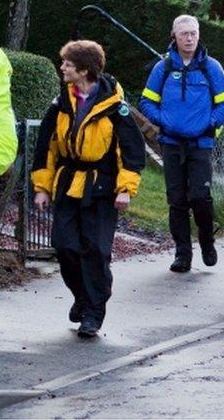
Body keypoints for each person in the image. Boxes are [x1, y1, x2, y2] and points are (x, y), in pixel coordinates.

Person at [31, 40, 146, 338]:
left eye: (67, 64)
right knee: (64, 245)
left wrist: (125, 189)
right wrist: (42, 187)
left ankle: (93, 312)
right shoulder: (61, 104)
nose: (62, 68)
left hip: (102, 188)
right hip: (69, 184)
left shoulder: (115, 109)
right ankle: (82, 296)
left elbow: (131, 152)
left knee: (95, 250)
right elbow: (46, 148)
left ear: (84, 70)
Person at [139, 15, 224, 273]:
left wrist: (209, 123)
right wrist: (163, 121)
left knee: (201, 197)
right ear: (175, 36)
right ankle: (182, 253)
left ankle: (207, 241)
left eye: (193, 33)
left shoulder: (211, 67)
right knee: (177, 200)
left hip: (200, 143)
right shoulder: (164, 68)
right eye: (184, 34)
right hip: (171, 143)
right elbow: (146, 101)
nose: (189, 38)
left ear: (199, 35)